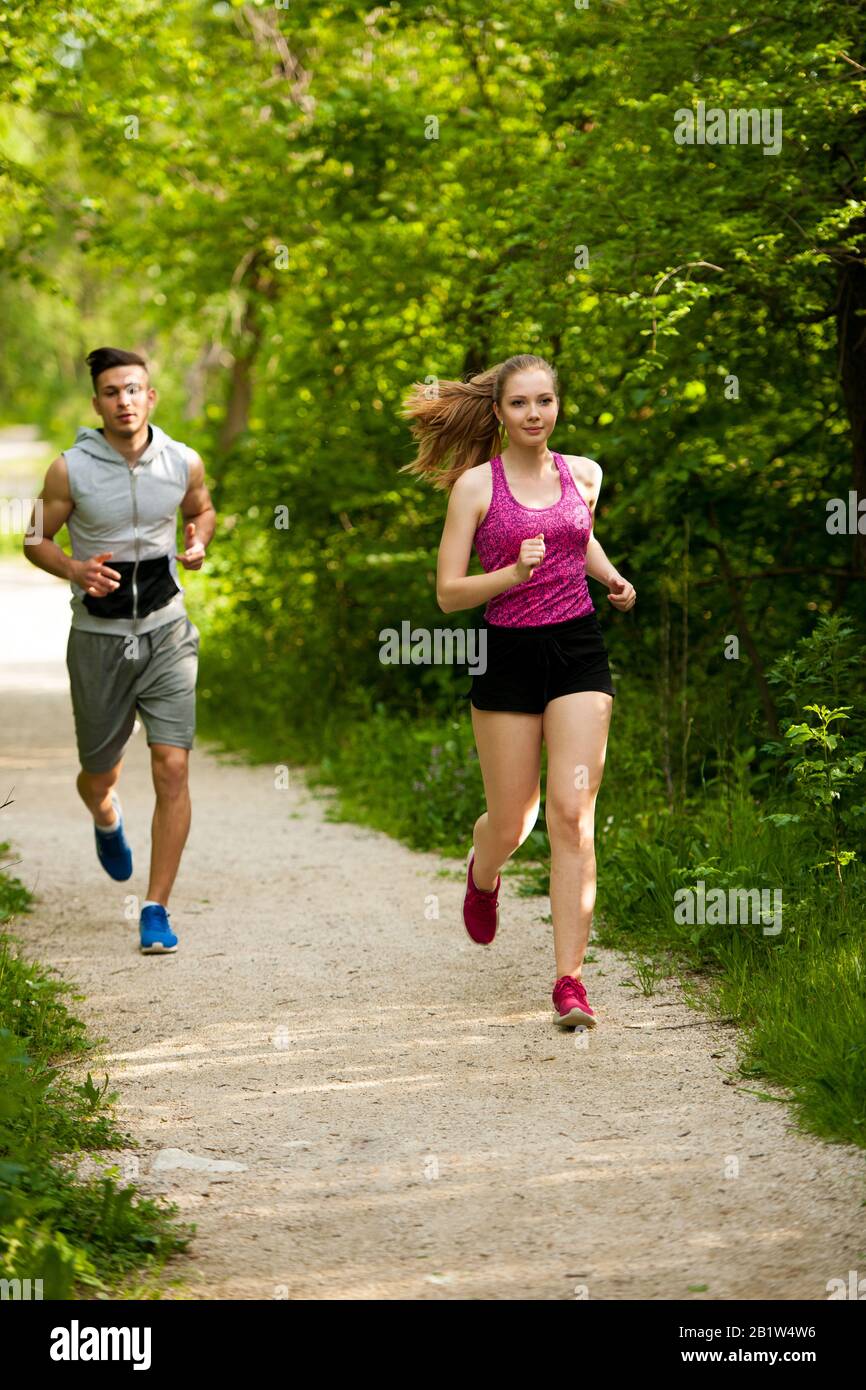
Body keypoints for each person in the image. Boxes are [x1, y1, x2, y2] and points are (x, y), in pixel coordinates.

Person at [401, 354, 636, 1027]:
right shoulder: (476, 488)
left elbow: (578, 540)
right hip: (506, 653)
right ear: (499, 414)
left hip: (578, 651)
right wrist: (509, 573)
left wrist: (613, 579)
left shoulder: (583, 475)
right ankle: (485, 868)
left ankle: (569, 982)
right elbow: (448, 594)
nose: (535, 415)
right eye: (520, 404)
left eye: (545, 402)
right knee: (514, 822)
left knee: (571, 812)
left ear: (558, 405)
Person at [24, 347, 216, 955]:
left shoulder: (183, 461)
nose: (124, 401)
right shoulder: (67, 470)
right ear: (97, 403)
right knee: (98, 773)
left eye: (134, 389)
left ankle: (156, 907)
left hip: (167, 630)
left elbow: (203, 510)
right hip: (99, 640)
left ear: (150, 396)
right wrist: (75, 568)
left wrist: (198, 541)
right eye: (112, 392)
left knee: (172, 764)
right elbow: (33, 537)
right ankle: (106, 815)